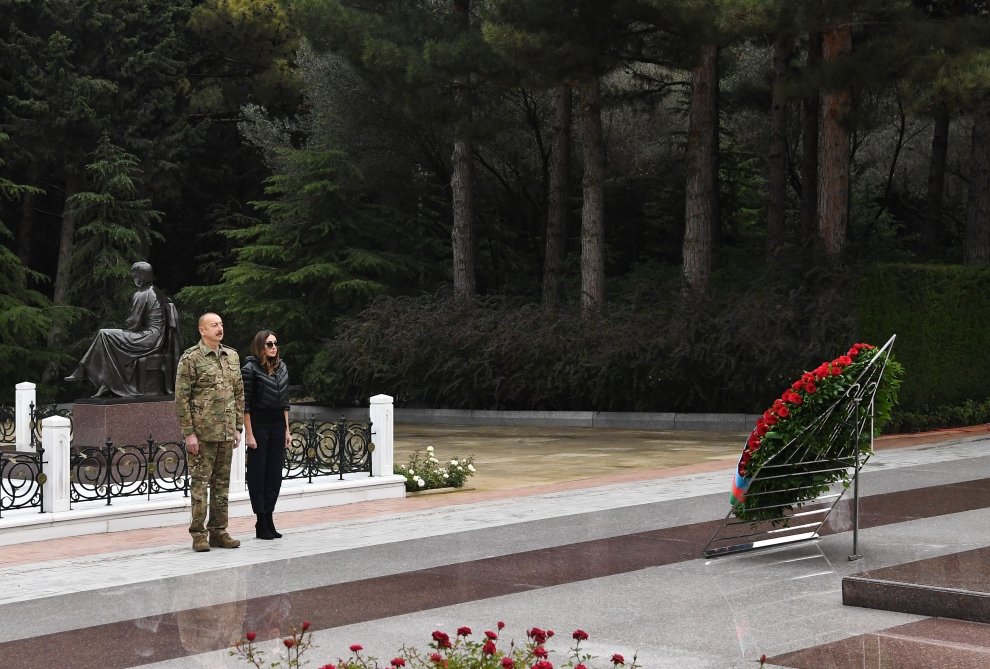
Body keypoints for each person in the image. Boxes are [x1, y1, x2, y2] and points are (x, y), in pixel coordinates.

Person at [174, 312, 244, 552]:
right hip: (202, 434)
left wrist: (237, 427)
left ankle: (219, 531)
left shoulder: (231, 356)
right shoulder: (191, 358)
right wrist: (188, 433)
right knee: (200, 485)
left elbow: (238, 393)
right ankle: (198, 534)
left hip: (226, 432)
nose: (219, 328)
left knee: (222, 485)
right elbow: (181, 398)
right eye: (214, 325)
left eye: (221, 324)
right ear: (202, 330)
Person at [65, 261, 181, 397]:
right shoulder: (156, 291)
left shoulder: (142, 294)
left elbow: (132, 324)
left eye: (135, 275)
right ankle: (105, 383)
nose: (133, 278)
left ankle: (84, 369)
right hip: (156, 337)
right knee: (108, 339)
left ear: (141, 276)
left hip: (149, 338)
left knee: (105, 334)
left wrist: (129, 319)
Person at [241, 330, 291, 540]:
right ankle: (261, 520)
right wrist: (249, 435)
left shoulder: (282, 368)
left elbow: (285, 402)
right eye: (269, 344)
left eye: (275, 344)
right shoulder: (249, 369)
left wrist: (287, 430)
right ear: (260, 346)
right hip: (259, 427)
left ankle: (270, 517)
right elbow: (245, 405)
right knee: (258, 475)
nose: (273, 347)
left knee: (274, 476)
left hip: (278, 426)